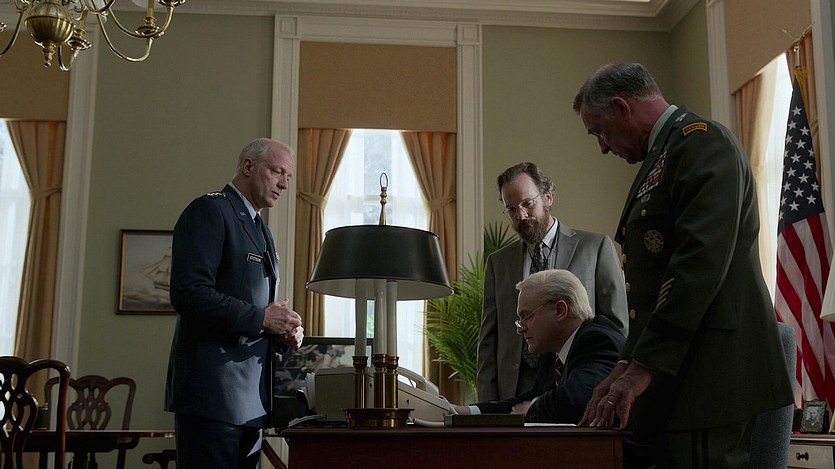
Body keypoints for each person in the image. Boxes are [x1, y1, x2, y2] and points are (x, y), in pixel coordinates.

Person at [572, 63, 793, 468]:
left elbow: (697, 265)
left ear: (622, 107)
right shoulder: (667, 152)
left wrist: (641, 367)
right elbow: (650, 288)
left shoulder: (702, 144)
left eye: (600, 131)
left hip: (712, 374)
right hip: (682, 373)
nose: (603, 146)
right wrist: (624, 363)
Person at [165, 138, 305, 468]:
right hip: (212, 394)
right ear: (248, 167)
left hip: (251, 399)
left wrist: (283, 330)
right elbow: (189, 293)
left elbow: (259, 309)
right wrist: (262, 319)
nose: (284, 184)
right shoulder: (210, 210)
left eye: (288, 176)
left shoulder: (262, 229)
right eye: (277, 172)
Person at [477, 162, 628, 402]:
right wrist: (487, 405)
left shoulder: (595, 248)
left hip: (578, 385)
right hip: (514, 389)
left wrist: (609, 388)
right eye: (511, 209)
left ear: (548, 198)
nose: (521, 215)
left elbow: (617, 327)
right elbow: (489, 340)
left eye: (528, 204)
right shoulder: (498, 263)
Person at [454, 269, 624, 423]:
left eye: (527, 316)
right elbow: (525, 402)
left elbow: (575, 400)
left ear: (560, 310)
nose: (520, 329)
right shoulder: (552, 352)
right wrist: (466, 412)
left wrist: (532, 408)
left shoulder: (598, 340)